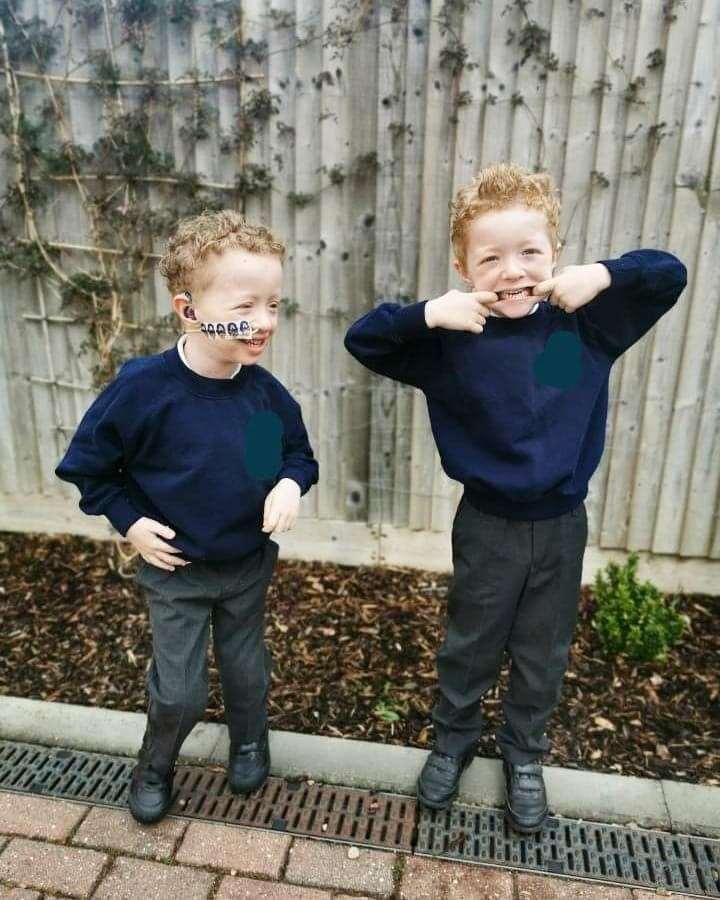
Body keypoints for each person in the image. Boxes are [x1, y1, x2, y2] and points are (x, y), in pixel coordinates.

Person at [343, 162, 687, 833]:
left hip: (561, 525)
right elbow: (365, 339)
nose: (512, 269)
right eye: (491, 257)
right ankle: (452, 742)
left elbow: (668, 273)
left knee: (541, 650)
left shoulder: (588, 328)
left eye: (530, 252)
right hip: (488, 524)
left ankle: (524, 758)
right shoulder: (449, 340)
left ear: (554, 254)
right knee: (470, 643)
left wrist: (605, 274)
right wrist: (426, 313)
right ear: (464, 266)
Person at [55, 211, 319, 824]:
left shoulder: (262, 393)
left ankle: (250, 740)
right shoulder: (144, 390)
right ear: (188, 308)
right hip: (175, 569)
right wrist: (131, 523)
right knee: (179, 691)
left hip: (246, 565)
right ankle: (156, 762)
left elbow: (294, 454)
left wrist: (288, 482)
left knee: (248, 670)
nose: (264, 322)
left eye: (274, 305)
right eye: (246, 305)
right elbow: (92, 470)